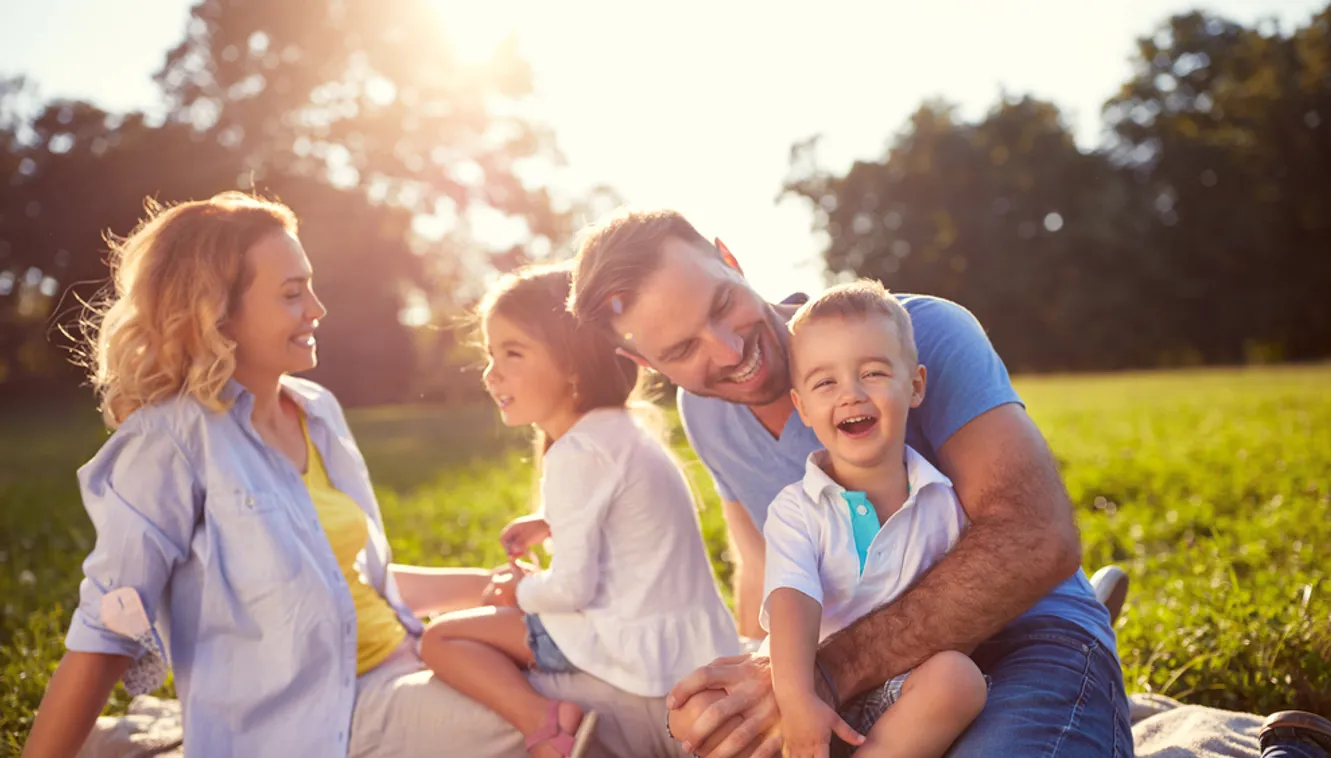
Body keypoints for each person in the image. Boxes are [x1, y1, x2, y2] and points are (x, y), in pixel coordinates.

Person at [19, 193, 686, 758]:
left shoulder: (315, 411)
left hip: (407, 661)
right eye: (291, 294)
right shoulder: (167, 443)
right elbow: (108, 628)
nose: (317, 308)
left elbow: (350, 584)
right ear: (217, 313)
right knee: (590, 725)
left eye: (309, 286)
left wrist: (491, 588)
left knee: (636, 679)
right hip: (327, 721)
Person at [567, 208, 1130, 757]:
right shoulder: (705, 412)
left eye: (721, 304)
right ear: (642, 361)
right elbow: (762, 567)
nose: (729, 351)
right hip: (854, 682)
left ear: (729, 258)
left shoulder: (916, 332)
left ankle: (1093, 634)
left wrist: (824, 674)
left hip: (1021, 639)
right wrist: (759, 692)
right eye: (682, 349)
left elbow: (1035, 539)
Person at [416, 264, 740, 757]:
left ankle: (546, 724)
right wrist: (548, 522)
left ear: (572, 365)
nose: (491, 372)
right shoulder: (623, 431)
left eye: (512, 353)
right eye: (490, 354)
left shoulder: (576, 452)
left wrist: (518, 591)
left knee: (441, 640)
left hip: (624, 643)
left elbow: (572, 589)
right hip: (688, 637)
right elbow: (624, 518)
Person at [763, 281, 987, 757]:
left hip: (901, 697)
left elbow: (962, 609)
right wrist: (798, 699)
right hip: (808, 688)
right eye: (825, 383)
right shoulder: (796, 509)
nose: (851, 394)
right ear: (802, 406)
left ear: (915, 386)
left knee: (959, 679)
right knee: (694, 712)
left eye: (872, 373)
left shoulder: (943, 501)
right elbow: (791, 600)